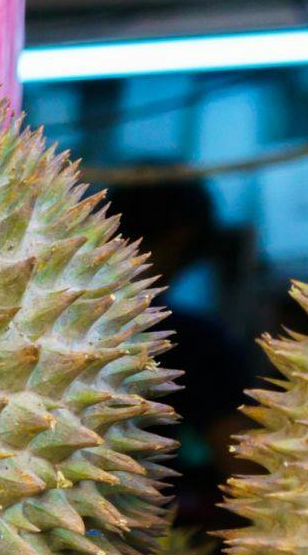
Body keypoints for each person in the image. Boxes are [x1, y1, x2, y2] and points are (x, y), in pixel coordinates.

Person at [102, 180, 273, 533]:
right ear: (182, 239)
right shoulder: (195, 340)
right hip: (157, 541)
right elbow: (242, 465)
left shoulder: (41, 328)